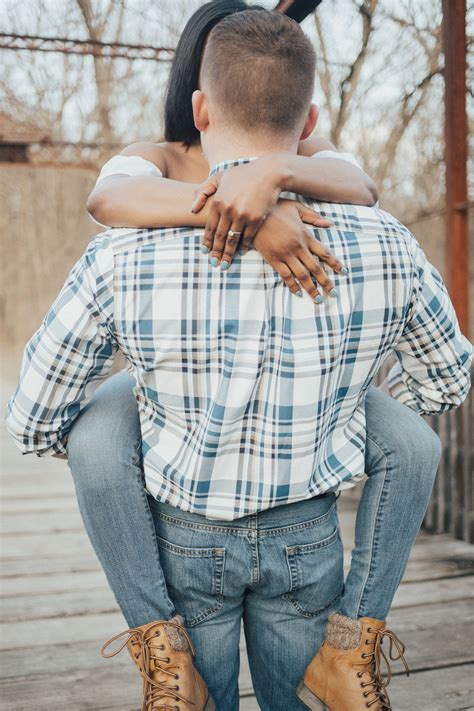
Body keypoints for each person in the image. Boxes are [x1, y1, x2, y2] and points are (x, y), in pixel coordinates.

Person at [6, 8, 471, 711]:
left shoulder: (122, 252)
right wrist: (340, 406)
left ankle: (168, 661)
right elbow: (446, 378)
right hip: (308, 533)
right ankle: (353, 652)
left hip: (185, 541)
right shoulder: (385, 242)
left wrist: (149, 400)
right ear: (310, 119)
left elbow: (34, 419)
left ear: (199, 108)